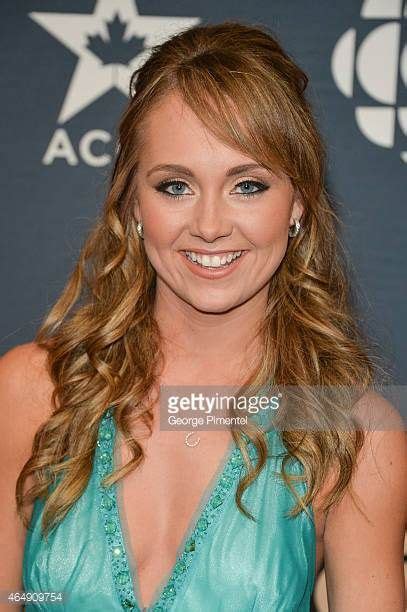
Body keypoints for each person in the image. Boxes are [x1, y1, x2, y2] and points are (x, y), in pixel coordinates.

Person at [1, 20, 405, 612]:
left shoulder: (353, 432)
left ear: (298, 202)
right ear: (132, 201)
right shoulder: (32, 391)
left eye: (247, 185)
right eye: (174, 186)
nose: (210, 225)